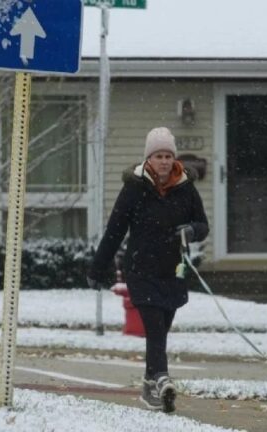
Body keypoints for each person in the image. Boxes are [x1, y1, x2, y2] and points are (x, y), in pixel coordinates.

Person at [87, 126, 209, 413]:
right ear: (148, 159)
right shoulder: (134, 188)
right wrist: (97, 267)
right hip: (141, 268)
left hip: (172, 270)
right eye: (158, 156)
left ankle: (148, 384)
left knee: (161, 329)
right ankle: (163, 380)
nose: (164, 161)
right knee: (154, 326)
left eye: (168, 155)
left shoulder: (185, 188)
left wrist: (191, 231)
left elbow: (203, 225)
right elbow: (114, 231)